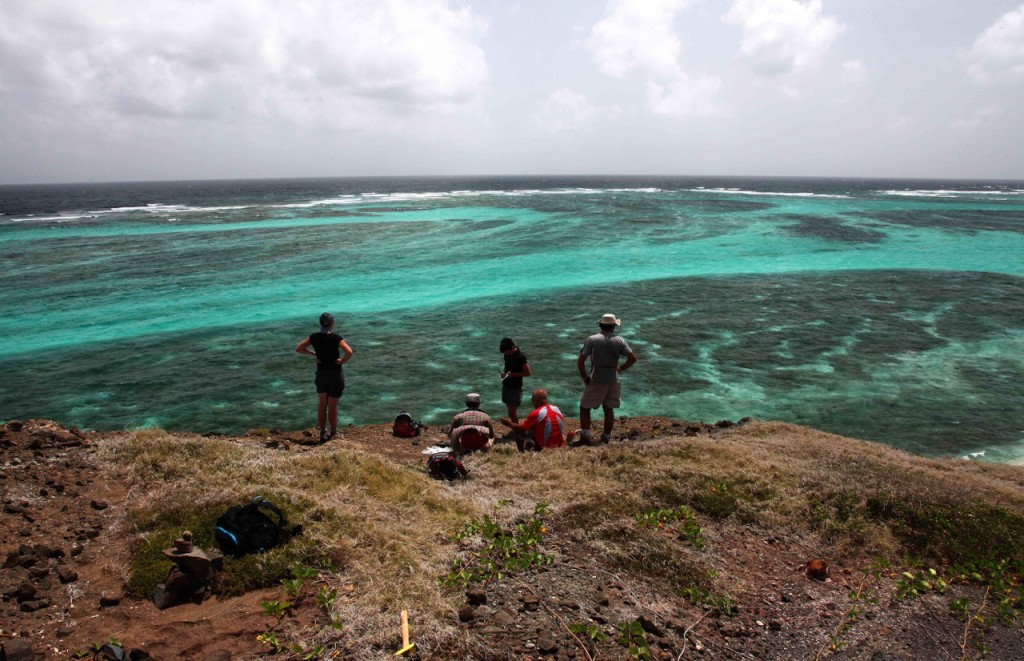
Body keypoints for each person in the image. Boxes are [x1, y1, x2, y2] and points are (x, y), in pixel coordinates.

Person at [576, 313, 638, 445]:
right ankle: (605, 438)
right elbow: (633, 358)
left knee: (584, 408)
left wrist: (584, 377)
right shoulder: (619, 340)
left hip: (597, 377)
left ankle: (586, 437)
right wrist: (620, 368)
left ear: (600, 325)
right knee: (608, 409)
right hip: (613, 378)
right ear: (614, 326)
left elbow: (580, 361)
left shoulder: (592, 339)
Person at [295, 312, 353, 443]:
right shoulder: (336, 338)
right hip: (335, 374)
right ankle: (333, 432)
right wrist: (342, 361)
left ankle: (322, 432)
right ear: (332, 323)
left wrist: (314, 354)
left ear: (320, 323)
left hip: (321, 374)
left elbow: (298, 349)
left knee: (322, 404)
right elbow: (349, 352)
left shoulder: (314, 337)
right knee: (332, 406)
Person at [500, 389, 566, 452]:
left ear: (536, 399)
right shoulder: (556, 408)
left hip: (546, 448)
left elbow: (521, 429)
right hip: (559, 446)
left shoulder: (537, 413)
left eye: (532, 400)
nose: (532, 403)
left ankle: (522, 453)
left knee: (519, 433)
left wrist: (508, 423)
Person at [499, 337, 532, 424]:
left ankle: (518, 430)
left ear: (513, 347)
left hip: (515, 387)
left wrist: (513, 375)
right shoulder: (506, 355)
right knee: (508, 409)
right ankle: (515, 427)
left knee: (511, 412)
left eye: (507, 351)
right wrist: (504, 373)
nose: (506, 353)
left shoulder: (521, 357)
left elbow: (528, 373)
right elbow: (506, 367)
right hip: (506, 385)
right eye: (505, 352)